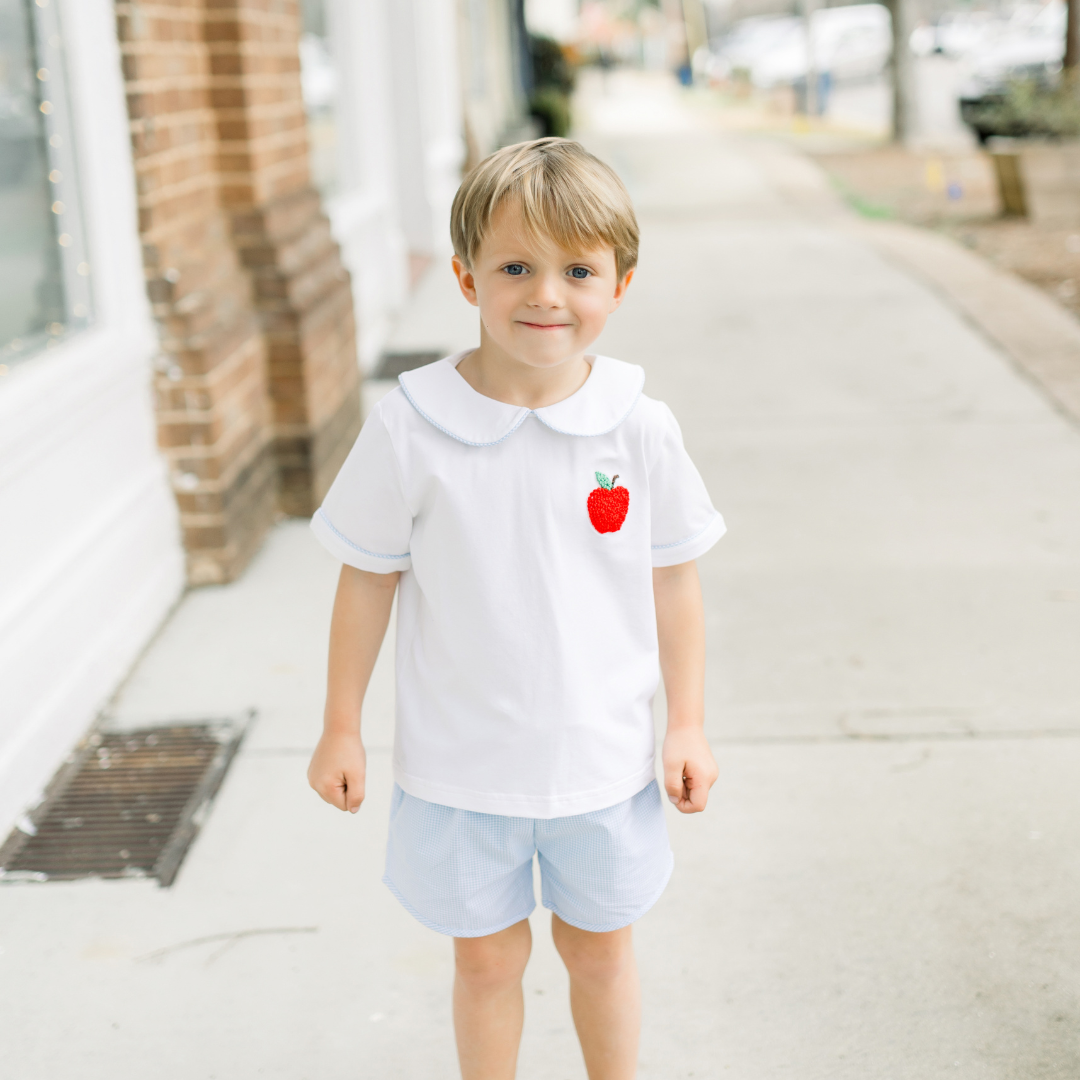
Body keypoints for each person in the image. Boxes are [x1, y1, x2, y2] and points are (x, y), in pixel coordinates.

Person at [307, 137, 725, 1080]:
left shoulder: (638, 425)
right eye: (515, 268)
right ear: (466, 279)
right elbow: (367, 576)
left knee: (600, 952)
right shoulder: (412, 426)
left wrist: (686, 724)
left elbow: (674, 577)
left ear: (620, 283)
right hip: (462, 770)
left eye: (578, 269)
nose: (546, 294)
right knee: (488, 961)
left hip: (603, 763)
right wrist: (343, 728)